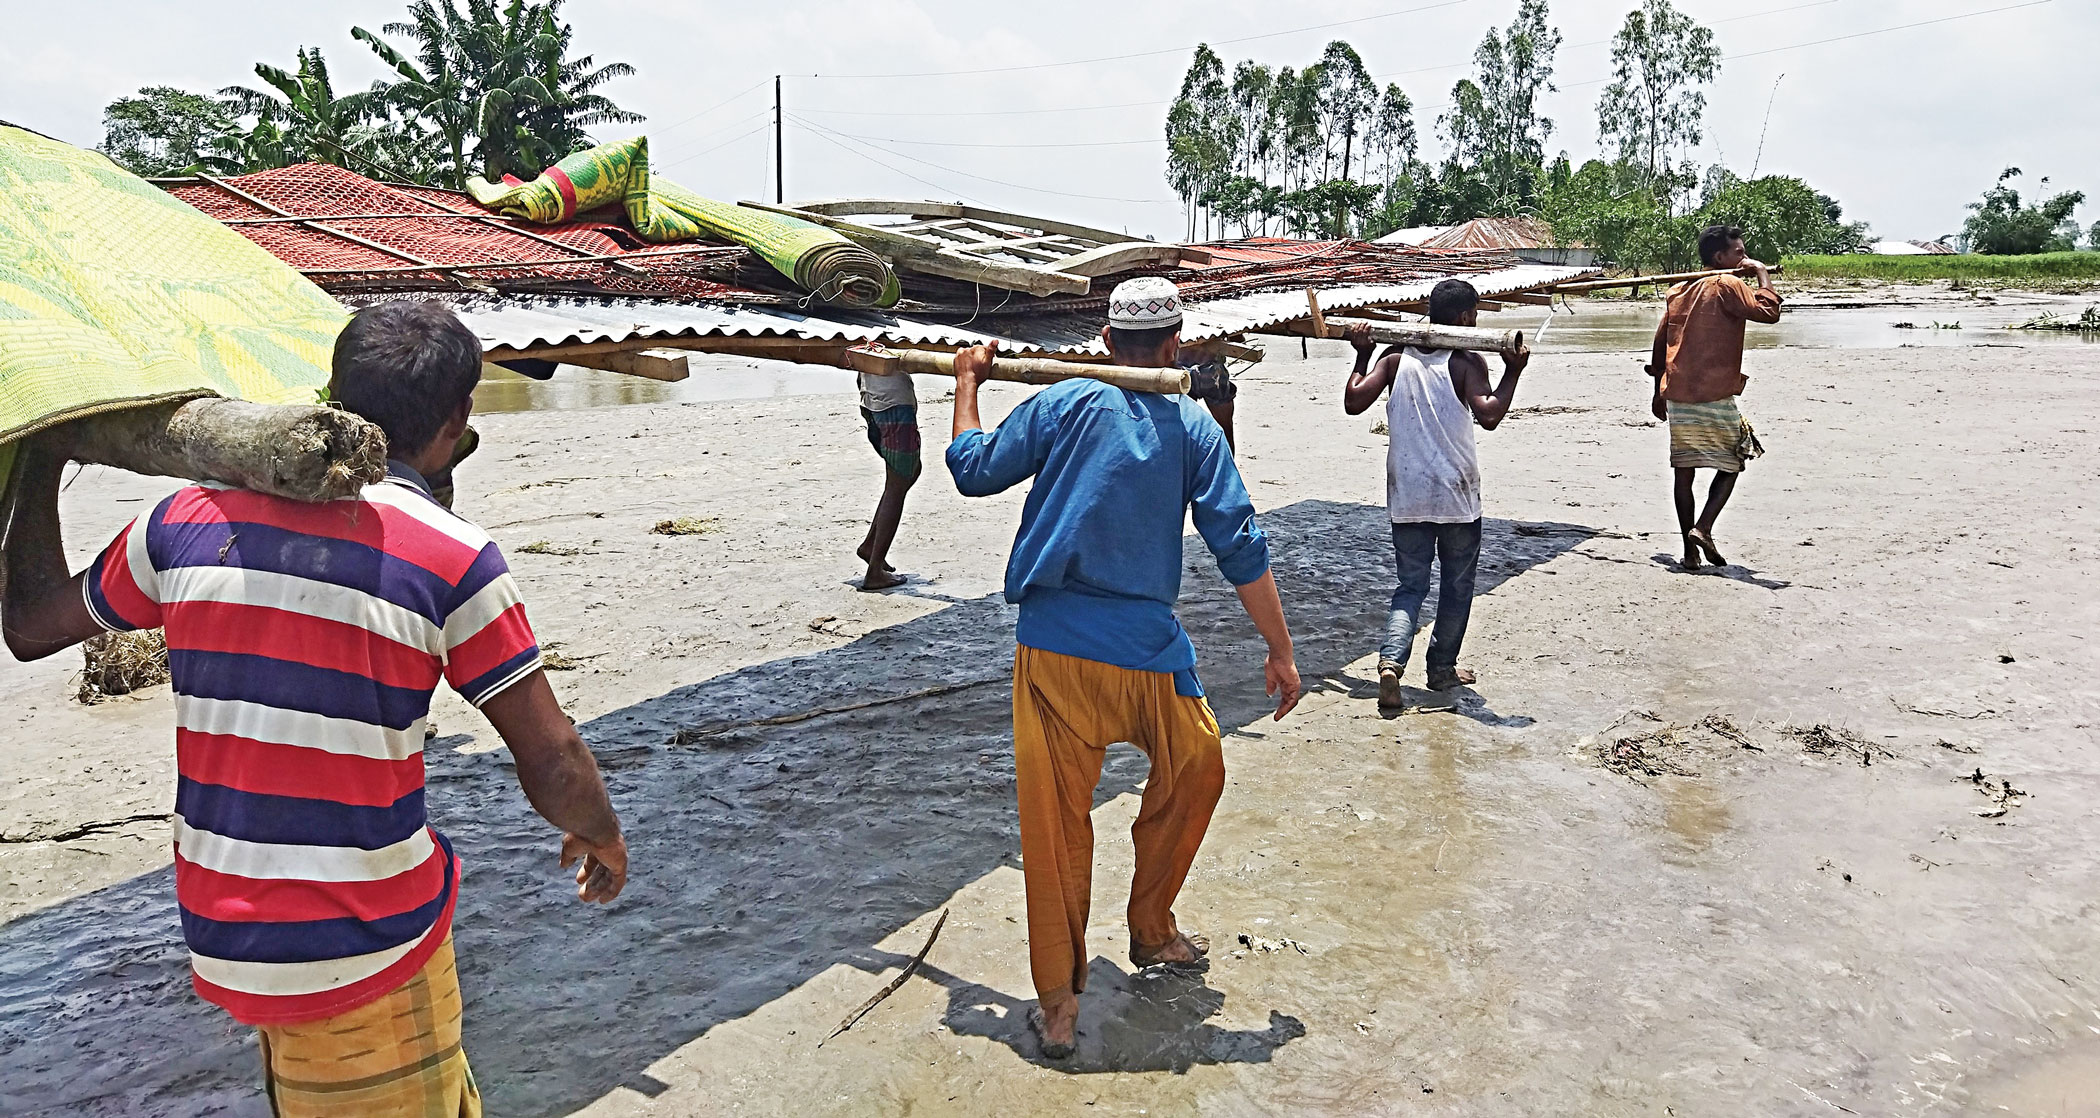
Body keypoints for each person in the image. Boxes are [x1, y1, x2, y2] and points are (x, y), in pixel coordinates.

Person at [0, 301, 627, 1117]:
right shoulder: (452, 558)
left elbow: (28, 626)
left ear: (327, 393)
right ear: (458, 418)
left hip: (223, 925)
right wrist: (602, 832)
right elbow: (552, 756)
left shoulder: (182, 523)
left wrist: (42, 455)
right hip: (360, 936)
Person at [944, 276, 1302, 1060]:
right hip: (1134, 655)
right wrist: (1278, 649)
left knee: (1056, 830)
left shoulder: (1066, 400)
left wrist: (967, 384)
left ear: (1107, 343)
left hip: (1063, 656)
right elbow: (1240, 542)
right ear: (1175, 347)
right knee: (1197, 769)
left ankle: (1096, 973)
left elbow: (971, 468)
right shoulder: (1191, 427)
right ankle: (1125, 947)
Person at [1341, 278, 1529, 708]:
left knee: (1410, 586)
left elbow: (1353, 402)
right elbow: (1490, 415)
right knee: (1457, 586)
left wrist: (1363, 353)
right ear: (1465, 318)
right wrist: (1514, 371)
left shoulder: (1393, 358)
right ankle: (1441, 669)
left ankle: (1391, 662)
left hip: (1406, 493)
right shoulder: (1466, 362)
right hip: (1457, 494)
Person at [1646, 223, 1783, 569]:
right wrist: (1763, 275)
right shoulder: (1728, 283)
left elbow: (1661, 342)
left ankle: (1690, 553)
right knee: (1738, 456)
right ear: (1720, 257)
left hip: (1678, 391)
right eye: (1739, 253)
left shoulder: (1680, 290)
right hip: (1713, 391)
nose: (1745, 257)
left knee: (1684, 471)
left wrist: (1657, 390)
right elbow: (1769, 313)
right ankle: (1703, 529)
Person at [855, 362, 921, 590]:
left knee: (910, 471)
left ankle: (870, 546)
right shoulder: (886, 333)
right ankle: (874, 571)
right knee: (897, 485)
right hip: (893, 406)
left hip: (873, 403)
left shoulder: (866, 333)